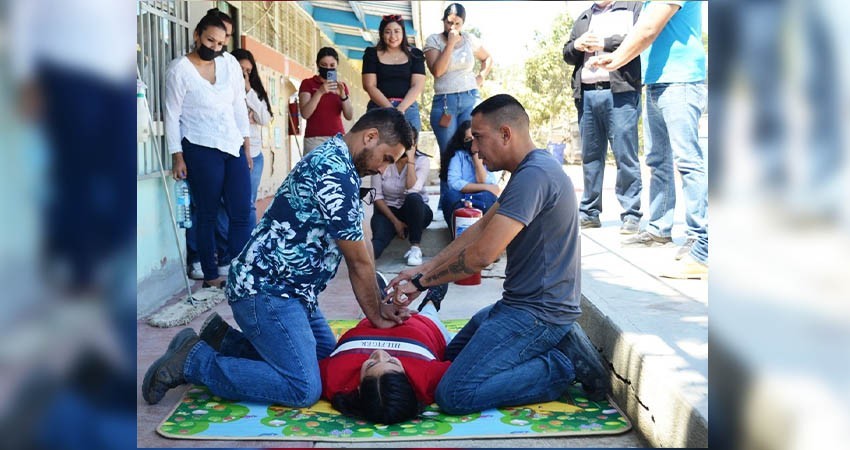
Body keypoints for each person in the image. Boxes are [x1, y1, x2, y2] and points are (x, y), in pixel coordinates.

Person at [142, 108, 415, 407]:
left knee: (325, 362)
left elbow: (364, 245)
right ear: (371, 137)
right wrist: (376, 315)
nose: (384, 170)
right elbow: (358, 262)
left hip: (294, 293)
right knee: (303, 387)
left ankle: (225, 342)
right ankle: (194, 362)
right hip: (266, 292)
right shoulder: (335, 173)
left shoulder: (342, 165)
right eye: (387, 158)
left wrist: (380, 301)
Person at [387, 95, 611, 415]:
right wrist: (424, 268)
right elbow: (478, 230)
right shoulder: (527, 172)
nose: (474, 148)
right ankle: (550, 345)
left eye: (478, 138)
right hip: (517, 306)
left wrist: (422, 283)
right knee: (449, 359)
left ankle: (561, 364)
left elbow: (482, 256)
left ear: (505, 134)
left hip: (539, 315)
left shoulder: (535, 175)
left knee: (454, 393)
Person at [589, 1, 708, 279]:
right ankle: (659, 228)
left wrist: (615, 58)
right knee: (658, 160)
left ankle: (703, 245)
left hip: (681, 80)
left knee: (688, 161)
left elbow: (649, 28)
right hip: (657, 80)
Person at [165, 11, 252, 288]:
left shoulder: (229, 63)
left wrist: (246, 145)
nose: (214, 47)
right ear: (197, 36)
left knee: (241, 211)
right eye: (209, 40)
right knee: (207, 213)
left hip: (232, 144)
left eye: (219, 43)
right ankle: (211, 276)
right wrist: (176, 155)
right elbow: (171, 114)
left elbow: (239, 105)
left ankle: (239, 273)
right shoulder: (179, 70)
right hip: (200, 146)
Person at [321, 276, 451, 424]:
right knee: (430, 313)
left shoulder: (333, 379)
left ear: (358, 388)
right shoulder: (429, 380)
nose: (380, 353)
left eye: (370, 364)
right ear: (408, 381)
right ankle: (431, 301)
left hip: (373, 321)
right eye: (392, 362)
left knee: (375, 309)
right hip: (422, 323)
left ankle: (383, 302)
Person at [563, 1, 643, 234]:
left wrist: (604, 43)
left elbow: (640, 39)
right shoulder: (585, 17)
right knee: (590, 157)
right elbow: (567, 54)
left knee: (625, 154)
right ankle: (589, 212)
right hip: (587, 95)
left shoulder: (632, 8)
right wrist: (577, 45)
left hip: (620, 92)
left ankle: (631, 214)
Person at [423, 3, 493, 166]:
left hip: (470, 98)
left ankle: (476, 190)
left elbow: (487, 58)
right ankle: (449, 192)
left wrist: (480, 77)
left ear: (463, 24)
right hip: (445, 103)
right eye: (449, 22)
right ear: (443, 21)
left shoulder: (469, 39)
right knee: (450, 155)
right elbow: (438, 71)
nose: (452, 27)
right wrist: (451, 44)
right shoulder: (433, 40)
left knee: (474, 150)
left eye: (457, 24)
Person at [371, 128, 434, 266]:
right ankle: (363, 260)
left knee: (413, 198)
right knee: (379, 239)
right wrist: (395, 222)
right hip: (389, 210)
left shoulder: (422, 161)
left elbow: (412, 189)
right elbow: (377, 197)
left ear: (414, 144)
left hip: (416, 211)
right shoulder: (382, 161)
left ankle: (415, 247)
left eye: (408, 143)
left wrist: (410, 160)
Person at [362, 14, 426, 131]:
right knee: (376, 147)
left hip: (407, 108)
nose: (393, 36)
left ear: (403, 33)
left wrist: (401, 109)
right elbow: (369, 86)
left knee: (408, 147)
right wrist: (390, 109)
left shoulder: (416, 54)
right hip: (378, 108)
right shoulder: (371, 54)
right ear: (382, 33)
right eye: (388, 32)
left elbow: (417, 85)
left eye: (397, 31)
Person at [232, 48, 273, 229]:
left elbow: (264, 118)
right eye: (241, 70)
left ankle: (248, 244)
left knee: (248, 202)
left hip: (254, 154)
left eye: (248, 71)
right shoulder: (224, 89)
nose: (244, 74)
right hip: (232, 150)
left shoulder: (255, 92)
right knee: (230, 201)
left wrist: (249, 91)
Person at [438, 120, 500, 229]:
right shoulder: (458, 155)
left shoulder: (488, 154)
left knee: (488, 198)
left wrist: (476, 158)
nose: (472, 142)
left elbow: (484, 180)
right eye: (468, 139)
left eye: (475, 138)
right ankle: (457, 237)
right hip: (460, 196)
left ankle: (482, 234)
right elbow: (454, 183)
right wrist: (486, 187)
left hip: (481, 197)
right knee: (449, 196)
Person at [299, 47, 353, 153]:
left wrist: (343, 95)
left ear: (337, 65)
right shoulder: (308, 83)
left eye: (332, 65)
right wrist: (320, 92)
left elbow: (349, 115)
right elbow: (305, 114)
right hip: (314, 139)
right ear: (318, 64)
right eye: (324, 65)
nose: (328, 68)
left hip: (337, 138)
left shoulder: (341, 86)